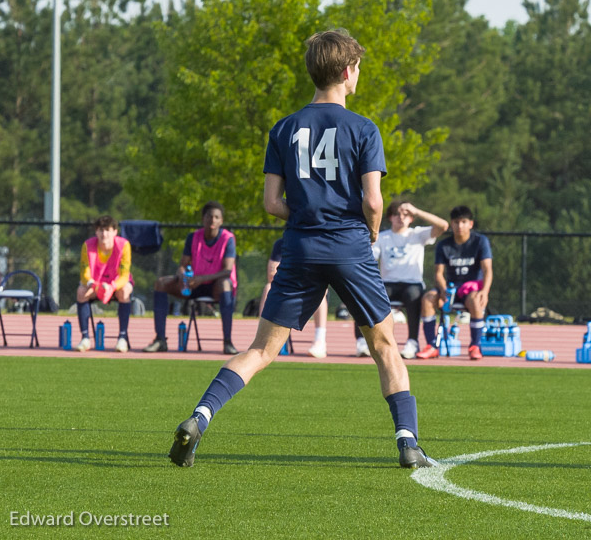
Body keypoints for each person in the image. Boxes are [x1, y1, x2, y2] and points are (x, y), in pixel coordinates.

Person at [167, 29, 434, 469]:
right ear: (348, 72)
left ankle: (199, 417)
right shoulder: (364, 128)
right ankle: (408, 443)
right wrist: (367, 233)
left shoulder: (284, 128)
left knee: (261, 350)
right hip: (349, 245)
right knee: (385, 345)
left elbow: (272, 203)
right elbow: (373, 201)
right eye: (358, 68)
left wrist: (309, 215)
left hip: (301, 246)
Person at [143, 202, 238, 354]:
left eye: (216, 217)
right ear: (203, 219)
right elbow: (182, 265)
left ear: (221, 220)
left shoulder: (228, 239)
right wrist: (182, 276)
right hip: (193, 285)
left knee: (225, 284)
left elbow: (227, 271)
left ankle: (228, 342)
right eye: (209, 216)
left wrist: (202, 278)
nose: (212, 220)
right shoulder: (193, 237)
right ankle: (160, 339)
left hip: (215, 287)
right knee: (160, 283)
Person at [358, 200, 448, 359]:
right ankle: (364, 341)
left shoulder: (418, 234)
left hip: (412, 284)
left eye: (405, 214)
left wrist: (416, 210)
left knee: (413, 295)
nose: (401, 217)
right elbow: (370, 258)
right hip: (388, 284)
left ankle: (412, 342)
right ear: (390, 217)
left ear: (411, 218)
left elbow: (443, 226)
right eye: (396, 214)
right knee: (365, 295)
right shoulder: (383, 237)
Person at [415, 205, 492, 361]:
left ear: (471, 223)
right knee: (428, 298)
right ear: (452, 223)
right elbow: (438, 273)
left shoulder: (480, 241)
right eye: (456, 222)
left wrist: (485, 291)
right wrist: (444, 291)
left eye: (464, 222)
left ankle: (475, 346)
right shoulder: (444, 245)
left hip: (470, 290)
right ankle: (432, 346)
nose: (460, 226)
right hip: (449, 288)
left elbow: (487, 270)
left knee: (476, 300)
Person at [74, 215, 134, 353]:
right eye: (101, 230)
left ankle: (122, 338)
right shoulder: (87, 246)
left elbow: (124, 276)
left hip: (116, 284)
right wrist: (94, 285)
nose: (104, 234)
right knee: (81, 291)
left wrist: (112, 287)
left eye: (107, 230)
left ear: (115, 232)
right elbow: (84, 273)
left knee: (124, 291)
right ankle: (85, 338)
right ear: (96, 231)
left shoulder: (124, 246)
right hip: (96, 284)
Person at [263, 239, 329, 358]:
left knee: (321, 291)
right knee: (268, 288)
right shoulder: (282, 243)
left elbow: (321, 275)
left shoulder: (318, 242)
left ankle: (320, 341)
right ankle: (265, 338)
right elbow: (271, 276)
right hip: (288, 287)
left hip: (309, 287)